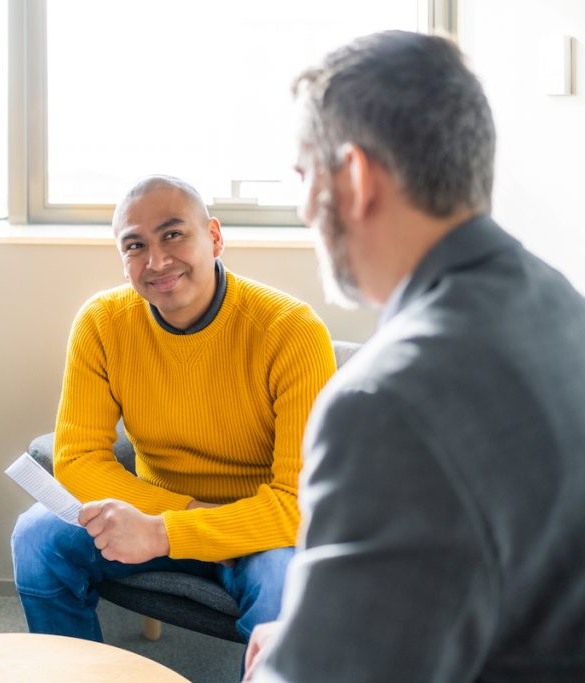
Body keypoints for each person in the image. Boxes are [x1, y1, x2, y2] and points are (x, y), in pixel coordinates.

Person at [244, 31, 585, 682]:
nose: (301, 206)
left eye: (302, 173)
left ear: (357, 177)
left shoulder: (384, 404)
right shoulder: (560, 304)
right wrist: (320, 617)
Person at [11, 175, 336, 653]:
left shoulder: (291, 331)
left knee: (285, 584)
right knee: (36, 537)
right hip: (151, 515)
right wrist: (178, 521)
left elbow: (299, 506)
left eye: (173, 234)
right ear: (123, 263)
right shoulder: (102, 323)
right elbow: (77, 460)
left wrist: (169, 533)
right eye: (135, 245)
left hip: (259, 534)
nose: (157, 260)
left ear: (216, 237)